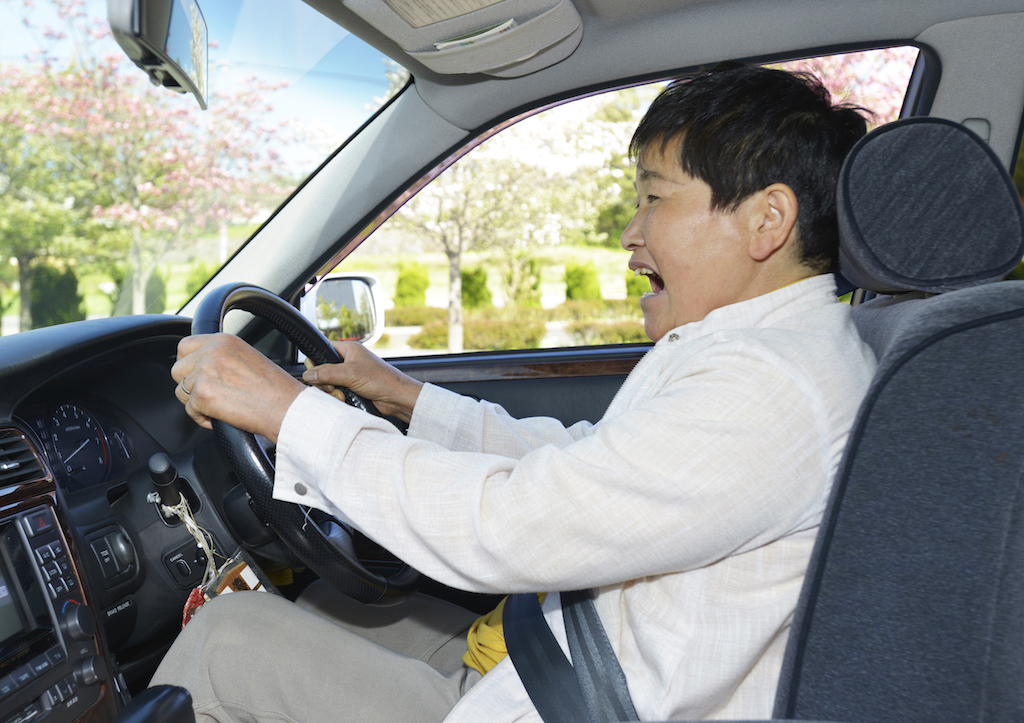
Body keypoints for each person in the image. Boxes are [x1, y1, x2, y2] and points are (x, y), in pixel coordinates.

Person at [153, 62, 877, 722]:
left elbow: (510, 523)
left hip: (571, 701)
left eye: (654, 198)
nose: (631, 233)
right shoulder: (769, 351)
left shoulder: (769, 389)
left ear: (767, 220)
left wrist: (288, 411)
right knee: (323, 600)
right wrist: (405, 397)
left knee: (226, 638)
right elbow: (585, 462)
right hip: (558, 662)